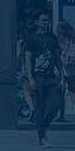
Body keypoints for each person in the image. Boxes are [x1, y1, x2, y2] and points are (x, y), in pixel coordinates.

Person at [25, 11, 65, 148]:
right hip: (38, 77)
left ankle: (43, 128)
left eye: (48, 20)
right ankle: (41, 138)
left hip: (52, 77)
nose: (46, 22)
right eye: (43, 20)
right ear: (36, 22)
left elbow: (58, 59)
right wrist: (30, 78)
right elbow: (28, 59)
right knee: (40, 108)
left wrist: (62, 77)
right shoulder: (31, 39)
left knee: (55, 106)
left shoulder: (53, 38)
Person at [55, 20, 75, 122]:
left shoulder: (58, 40)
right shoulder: (72, 40)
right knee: (72, 91)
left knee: (61, 93)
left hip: (61, 70)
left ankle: (62, 115)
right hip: (72, 70)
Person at [18, 20, 37, 122]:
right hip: (36, 69)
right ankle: (33, 113)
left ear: (25, 31)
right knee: (35, 91)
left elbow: (17, 57)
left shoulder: (22, 42)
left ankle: (31, 108)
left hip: (25, 68)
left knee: (26, 91)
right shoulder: (37, 40)